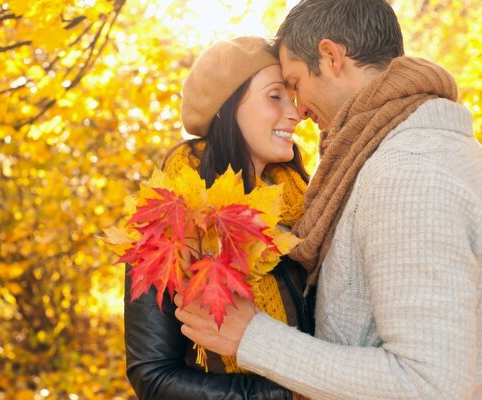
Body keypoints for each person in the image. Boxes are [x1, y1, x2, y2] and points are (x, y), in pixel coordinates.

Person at [174, 1, 482, 399]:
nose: (298, 109)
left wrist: (254, 339)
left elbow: (434, 385)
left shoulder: (408, 172)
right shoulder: (422, 151)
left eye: (296, 84)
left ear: (331, 56)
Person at [124, 36, 314, 400]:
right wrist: (287, 395)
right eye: (275, 96)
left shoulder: (307, 210)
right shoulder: (173, 223)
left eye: (292, 96)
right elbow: (154, 376)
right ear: (225, 109)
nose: (295, 112)